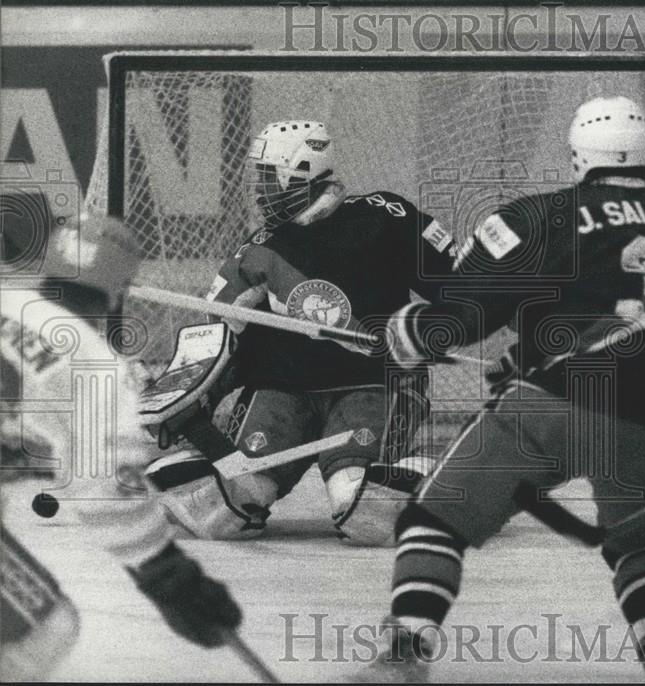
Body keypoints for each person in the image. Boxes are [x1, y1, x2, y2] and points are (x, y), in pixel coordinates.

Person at [359, 96, 645, 684]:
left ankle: (403, 656)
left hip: (557, 407)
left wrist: (409, 331)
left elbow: (464, 316)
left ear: (578, 155)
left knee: (433, 520)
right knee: (643, 547)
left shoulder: (542, 216)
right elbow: (625, 316)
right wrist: (521, 354)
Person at [144, 121, 454, 545]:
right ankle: (207, 471)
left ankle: (454, 486)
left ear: (302, 170)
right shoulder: (256, 251)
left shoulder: (384, 215)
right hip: (282, 393)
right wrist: (187, 398)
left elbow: (462, 283)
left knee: (362, 505)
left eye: (268, 176)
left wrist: (431, 328)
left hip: (374, 384)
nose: (258, 189)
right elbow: (213, 336)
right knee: (220, 505)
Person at [1, 214, 242, 679]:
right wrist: (168, 575)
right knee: (47, 627)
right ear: (118, 292)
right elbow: (105, 489)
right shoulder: (92, 361)